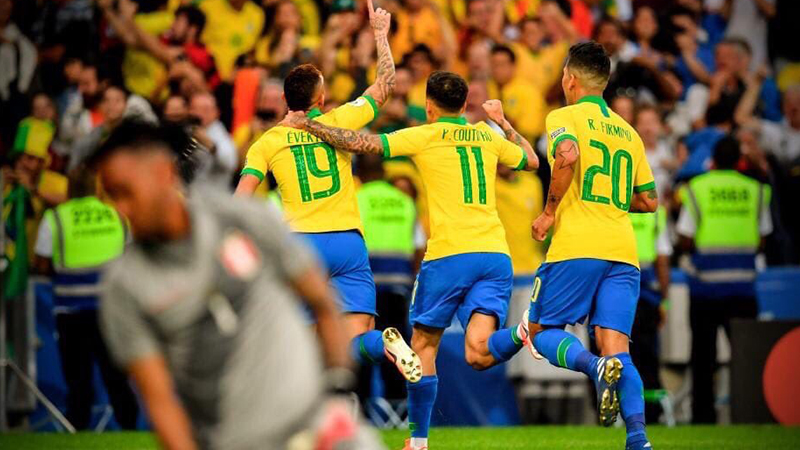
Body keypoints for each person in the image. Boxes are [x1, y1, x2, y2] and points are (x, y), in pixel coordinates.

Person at [279, 70, 540, 450]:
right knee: (479, 352)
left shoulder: (424, 134)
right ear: (463, 105)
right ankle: (522, 332)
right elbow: (532, 160)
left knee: (423, 345)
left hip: (449, 255)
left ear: (429, 106)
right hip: (495, 255)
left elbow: (361, 143)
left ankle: (418, 442)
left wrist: (311, 125)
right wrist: (502, 122)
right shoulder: (486, 135)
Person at [89, 120, 384, 450]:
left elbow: (322, 301)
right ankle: (377, 344)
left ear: (164, 173)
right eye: (112, 196)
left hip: (319, 426)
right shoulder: (125, 287)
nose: (120, 209)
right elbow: (159, 400)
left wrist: (337, 394)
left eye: (126, 192)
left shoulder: (242, 219)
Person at [235, 1, 422, 387]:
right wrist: (380, 35)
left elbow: (241, 199)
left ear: (285, 99)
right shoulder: (339, 120)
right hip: (348, 244)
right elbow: (384, 86)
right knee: (355, 340)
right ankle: (384, 343)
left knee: (307, 348)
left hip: (302, 246)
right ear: (321, 100)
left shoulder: (267, 142)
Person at [523, 42, 658, 450]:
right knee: (619, 348)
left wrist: (549, 211)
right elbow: (649, 200)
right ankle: (638, 439)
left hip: (578, 245)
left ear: (570, 78)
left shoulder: (563, 116)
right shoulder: (629, 132)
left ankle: (594, 367)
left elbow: (566, 155)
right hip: (623, 252)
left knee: (540, 332)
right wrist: (611, 199)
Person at [32, 167, 139, 430]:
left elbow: (41, 264)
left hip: (71, 311)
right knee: (117, 377)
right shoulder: (117, 215)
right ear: (97, 188)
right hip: (111, 311)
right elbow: (132, 258)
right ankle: (130, 429)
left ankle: (78, 430)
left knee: (77, 379)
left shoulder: (55, 218)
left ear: (69, 188)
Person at [676, 136, 772, 424]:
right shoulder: (755, 190)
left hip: (705, 288)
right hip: (744, 288)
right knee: (748, 358)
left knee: (703, 358)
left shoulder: (697, 188)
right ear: (739, 161)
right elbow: (763, 238)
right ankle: (753, 414)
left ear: (713, 161)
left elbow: (685, 236)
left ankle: (703, 417)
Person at [355, 154, 418, 405]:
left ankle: (360, 406)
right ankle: (398, 407)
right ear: (384, 172)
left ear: (359, 174)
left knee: (361, 343)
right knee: (395, 342)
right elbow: (417, 246)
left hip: (365, 284)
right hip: (398, 283)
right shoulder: (405, 201)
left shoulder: (355, 199)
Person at [628, 205, 671, 423]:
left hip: (613, 296)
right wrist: (664, 301)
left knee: (610, 355)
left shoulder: (606, 206)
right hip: (646, 297)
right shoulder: (654, 214)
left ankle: (609, 413)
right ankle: (650, 414)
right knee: (647, 359)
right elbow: (662, 260)